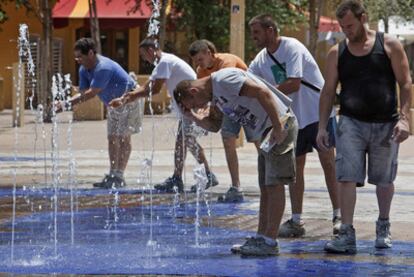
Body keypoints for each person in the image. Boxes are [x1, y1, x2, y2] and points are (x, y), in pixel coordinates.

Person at [317, 0, 412, 254]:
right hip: (350, 123)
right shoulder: (338, 52)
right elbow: (327, 92)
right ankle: (346, 233)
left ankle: (383, 225)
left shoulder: (389, 44)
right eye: (343, 27)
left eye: (350, 26)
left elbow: (405, 83)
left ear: (363, 18)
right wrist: (322, 127)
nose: (346, 31)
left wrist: (405, 119)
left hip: (386, 123)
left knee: (383, 179)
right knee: (346, 176)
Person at [173, 67, 298, 256]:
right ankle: (261, 237)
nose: (197, 107)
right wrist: (192, 116)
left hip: (278, 125)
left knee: (275, 185)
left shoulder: (224, 80)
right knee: (265, 186)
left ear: (193, 91)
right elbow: (214, 125)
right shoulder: (215, 94)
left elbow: (262, 92)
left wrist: (278, 126)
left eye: (193, 105)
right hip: (266, 132)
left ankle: (270, 242)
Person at [248, 14, 341, 237]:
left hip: (318, 113)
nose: (254, 38)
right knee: (294, 170)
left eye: (257, 33)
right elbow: (247, 80)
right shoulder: (260, 59)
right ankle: (296, 221)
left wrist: (264, 94)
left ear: (270, 30)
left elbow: (294, 83)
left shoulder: (292, 47)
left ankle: (339, 216)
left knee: (328, 162)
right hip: (292, 120)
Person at [110, 38, 218, 193]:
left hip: (194, 105)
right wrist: (124, 98)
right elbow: (147, 85)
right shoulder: (164, 63)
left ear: (150, 51)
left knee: (186, 140)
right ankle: (181, 177)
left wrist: (125, 100)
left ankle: (200, 176)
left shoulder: (165, 62)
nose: (143, 59)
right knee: (184, 141)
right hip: (189, 106)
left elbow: (154, 90)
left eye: (143, 55)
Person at [59, 37, 142, 189]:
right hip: (113, 104)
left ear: (90, 53)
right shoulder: (83, 69)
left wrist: (65, 104)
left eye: (80, 57)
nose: (77, 60)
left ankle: (119, 176)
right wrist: (69, 99)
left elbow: (91, 94)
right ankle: (113, 174)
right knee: (112, 138)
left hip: (130, 98)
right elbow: (84, 92)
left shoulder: (103, 67)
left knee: (124, 138)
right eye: (76, 57)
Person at [188, 39, 259, 202]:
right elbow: (206, 93)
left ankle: (271, 179)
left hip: (249, 103)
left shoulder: (227, 61)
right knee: (228, 141)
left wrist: (212, 106)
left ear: (208, 52)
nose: (199, 64)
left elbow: (226, 86)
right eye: (196, 61)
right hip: (229, 106)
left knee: (258, 141)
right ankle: (236, 187)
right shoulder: (201, 70)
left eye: (200, 59)